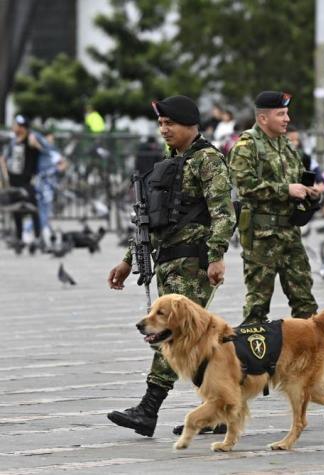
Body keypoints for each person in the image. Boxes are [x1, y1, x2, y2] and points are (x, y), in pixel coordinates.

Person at [106, 95, 236, 436]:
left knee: (170, 335)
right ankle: (219, 410)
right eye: (161, 124)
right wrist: (126, 260)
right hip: (167, 260)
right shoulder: (168, 161)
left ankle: (148, 409)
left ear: (190, 126)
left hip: (194, 262)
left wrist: (216, 255)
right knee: (194, 342)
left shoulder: (208, 160)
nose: (164, 130)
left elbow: (224, 212)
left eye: (170, 124)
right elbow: (146, 221)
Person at [227, 91, 319, 324]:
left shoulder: (286, 145)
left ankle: (310, 357)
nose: (287, 118)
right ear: (263, 118)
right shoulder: (246, 146)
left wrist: (309, 193)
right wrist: (285, 189)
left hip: (290, 232)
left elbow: (297, 177)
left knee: (304, 300)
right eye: (281, 114)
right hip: (261, 235)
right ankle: (253, 357)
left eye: (286, 113)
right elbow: (244, 186)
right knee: (258, 303)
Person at [2, 115, 45, 253]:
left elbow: (43, 152)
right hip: (14, 180)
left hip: (27, 181)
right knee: (16, 210)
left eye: (16, 125)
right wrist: (5, 176)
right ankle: (19, 239)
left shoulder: (31, 140)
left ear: (22, 127)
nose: (14, 127)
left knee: (33, 209)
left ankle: (38, 238)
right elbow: (4, 158)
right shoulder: (12, 142)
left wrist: (36, 144)